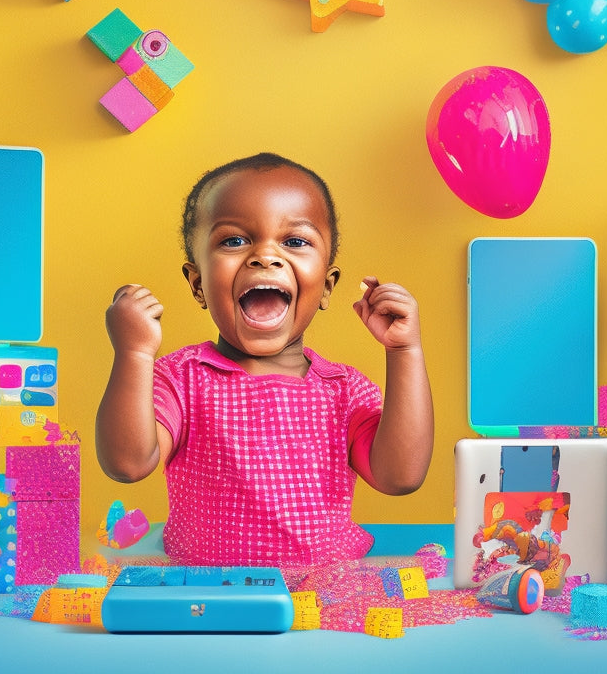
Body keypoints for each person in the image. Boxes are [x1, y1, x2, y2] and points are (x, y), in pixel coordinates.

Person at [96, 152, 433, 567]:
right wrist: (133, 353)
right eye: (234, 240)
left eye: (294, 241)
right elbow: (126, 464)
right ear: (198, 284)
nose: (265, 256)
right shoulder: (180, 379)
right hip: (206, 600)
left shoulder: (345, 390)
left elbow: (400, 477)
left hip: (323, 598)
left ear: (326, 286)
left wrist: (405, 352)